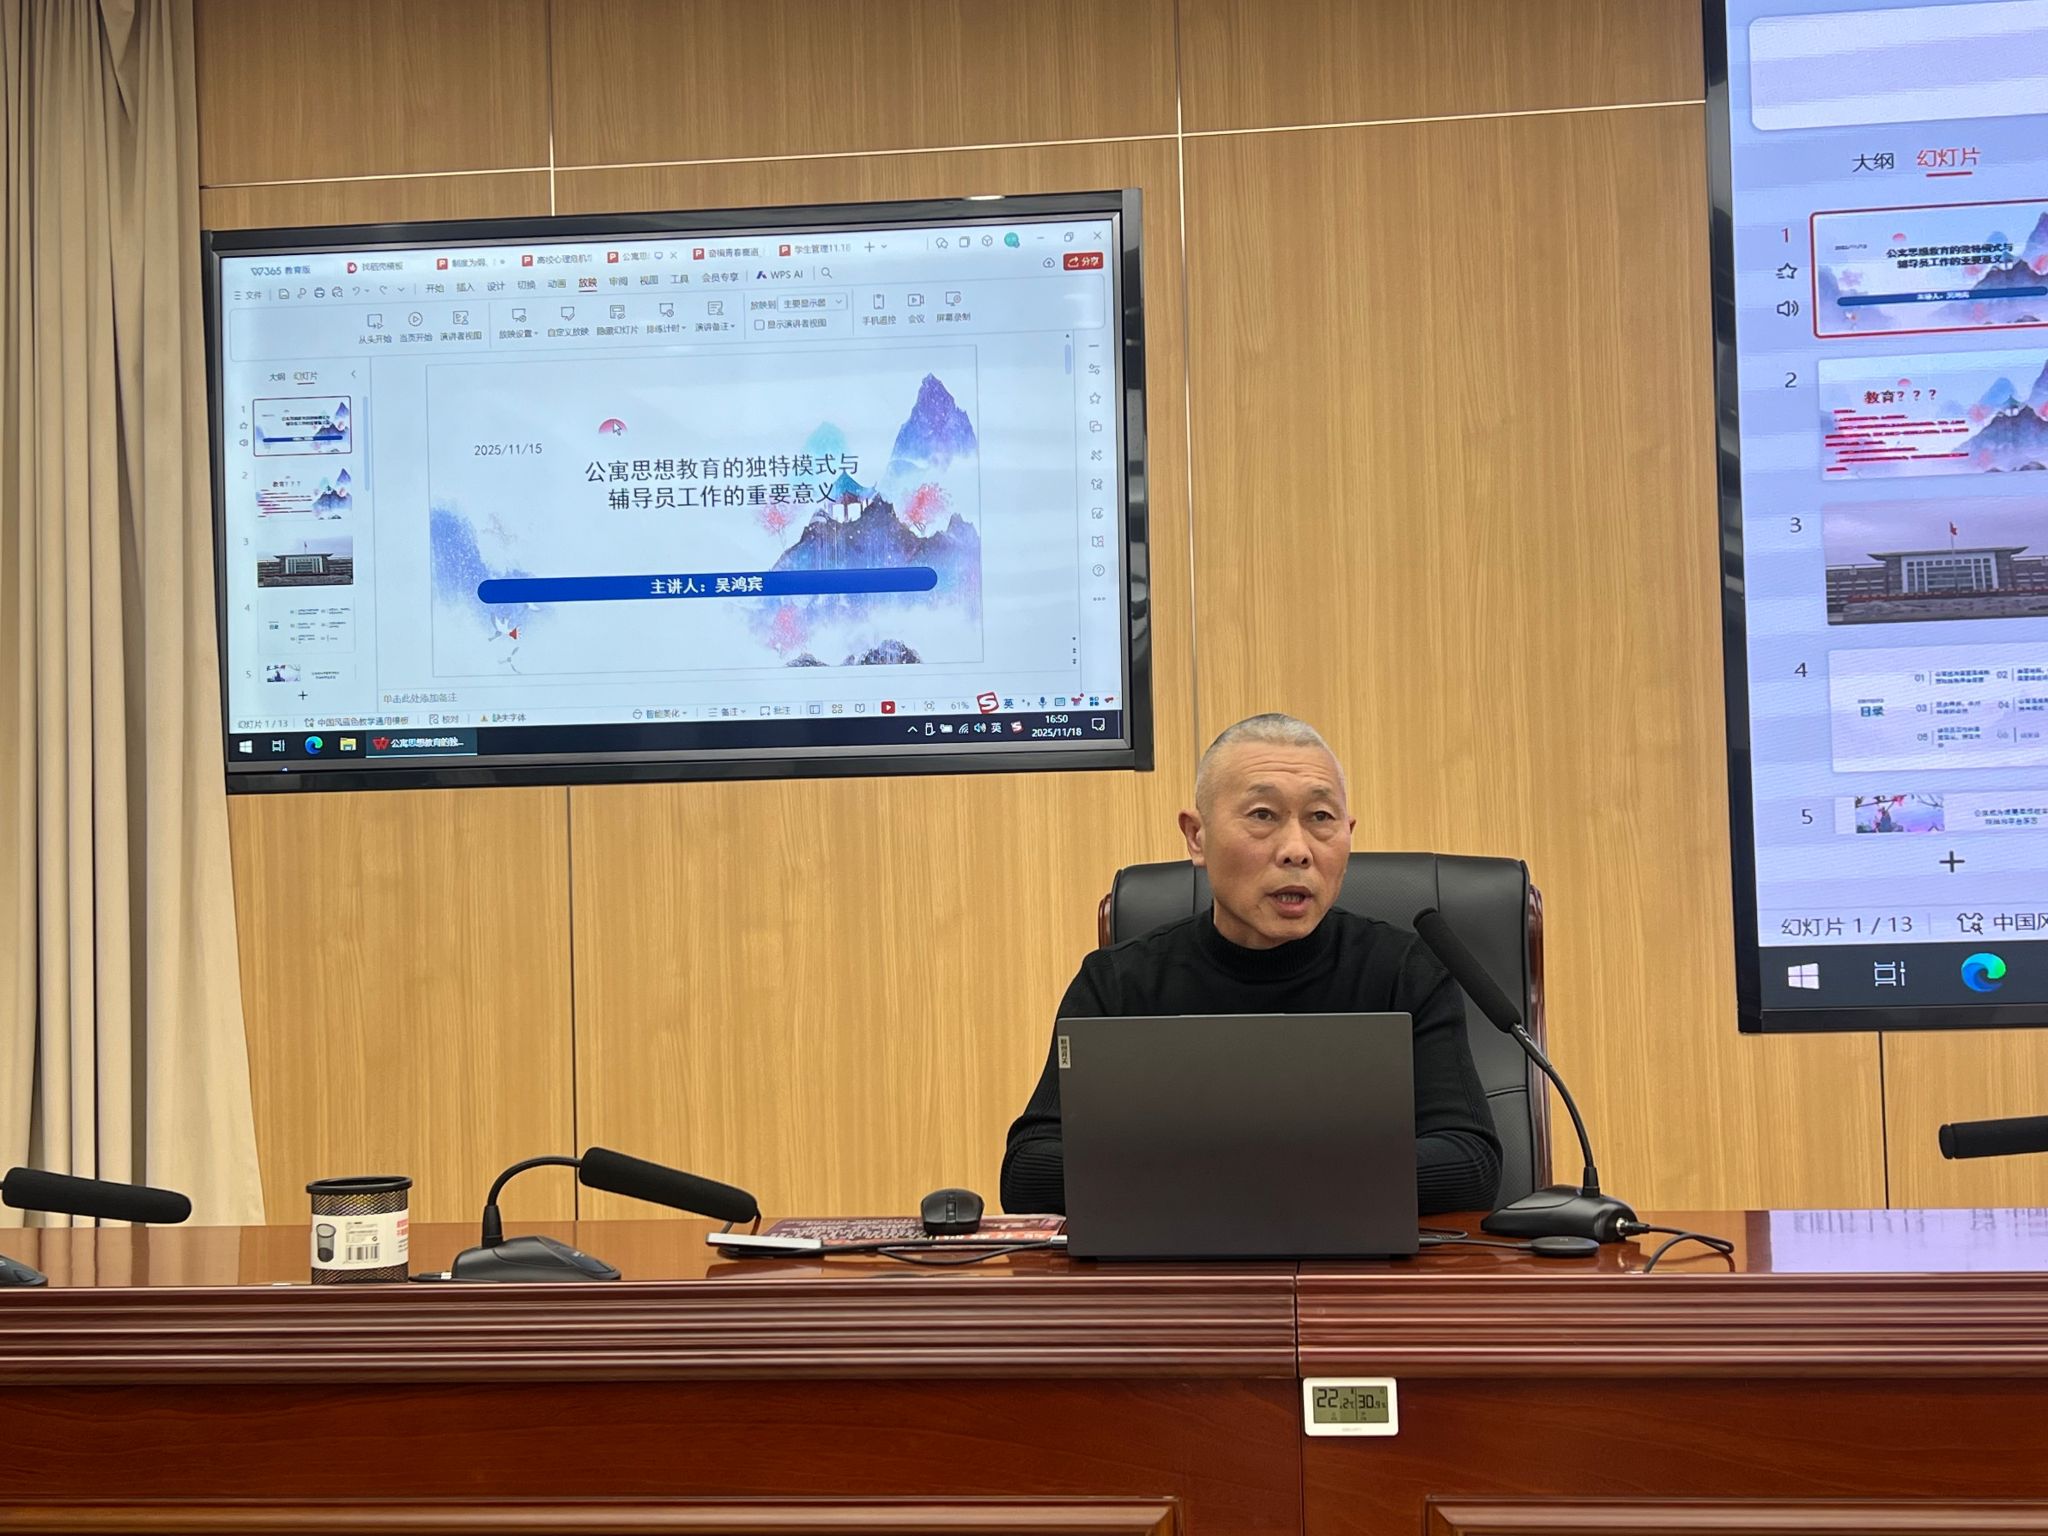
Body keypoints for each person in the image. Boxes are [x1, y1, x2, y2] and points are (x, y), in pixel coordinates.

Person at [1000, 712, 1502, 1216]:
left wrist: (1205, 1176)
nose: (1296, 850)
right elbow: (1030, 1171)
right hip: (1174, 1263)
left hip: (1356, 1262)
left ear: (1348, 834)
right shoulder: (1118, 983)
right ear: (1197, 836)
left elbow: (1469, 1163)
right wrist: (1297, 1176)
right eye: (1263, 815)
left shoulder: (1406, 971)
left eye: (1320, 817)